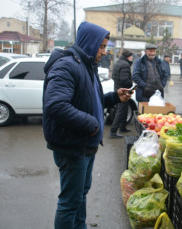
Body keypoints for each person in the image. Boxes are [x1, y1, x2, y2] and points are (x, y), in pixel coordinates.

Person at [42, 21, 132, 228]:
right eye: (101, 47)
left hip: (86, 144)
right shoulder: (67, 66)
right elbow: (55, 105)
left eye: (105, 47)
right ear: (89, 43)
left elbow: (90, 100)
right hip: (73, 145)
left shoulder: (86, 65)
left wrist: (114, 98)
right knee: (69, 202)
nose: (103, 52)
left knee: (80, 195)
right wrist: (92, 124)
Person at [109, 49, 134, 138]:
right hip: (123, 90)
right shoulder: (125, 64)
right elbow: (125, 80)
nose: (132, 58)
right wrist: (131, 85)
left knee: (124, 109)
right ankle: (113, 131)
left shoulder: (118, 62)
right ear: (128, 56)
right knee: (121, 110)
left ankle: (123, 127)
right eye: (131, 56)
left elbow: (114, 76)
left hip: (117, 88)